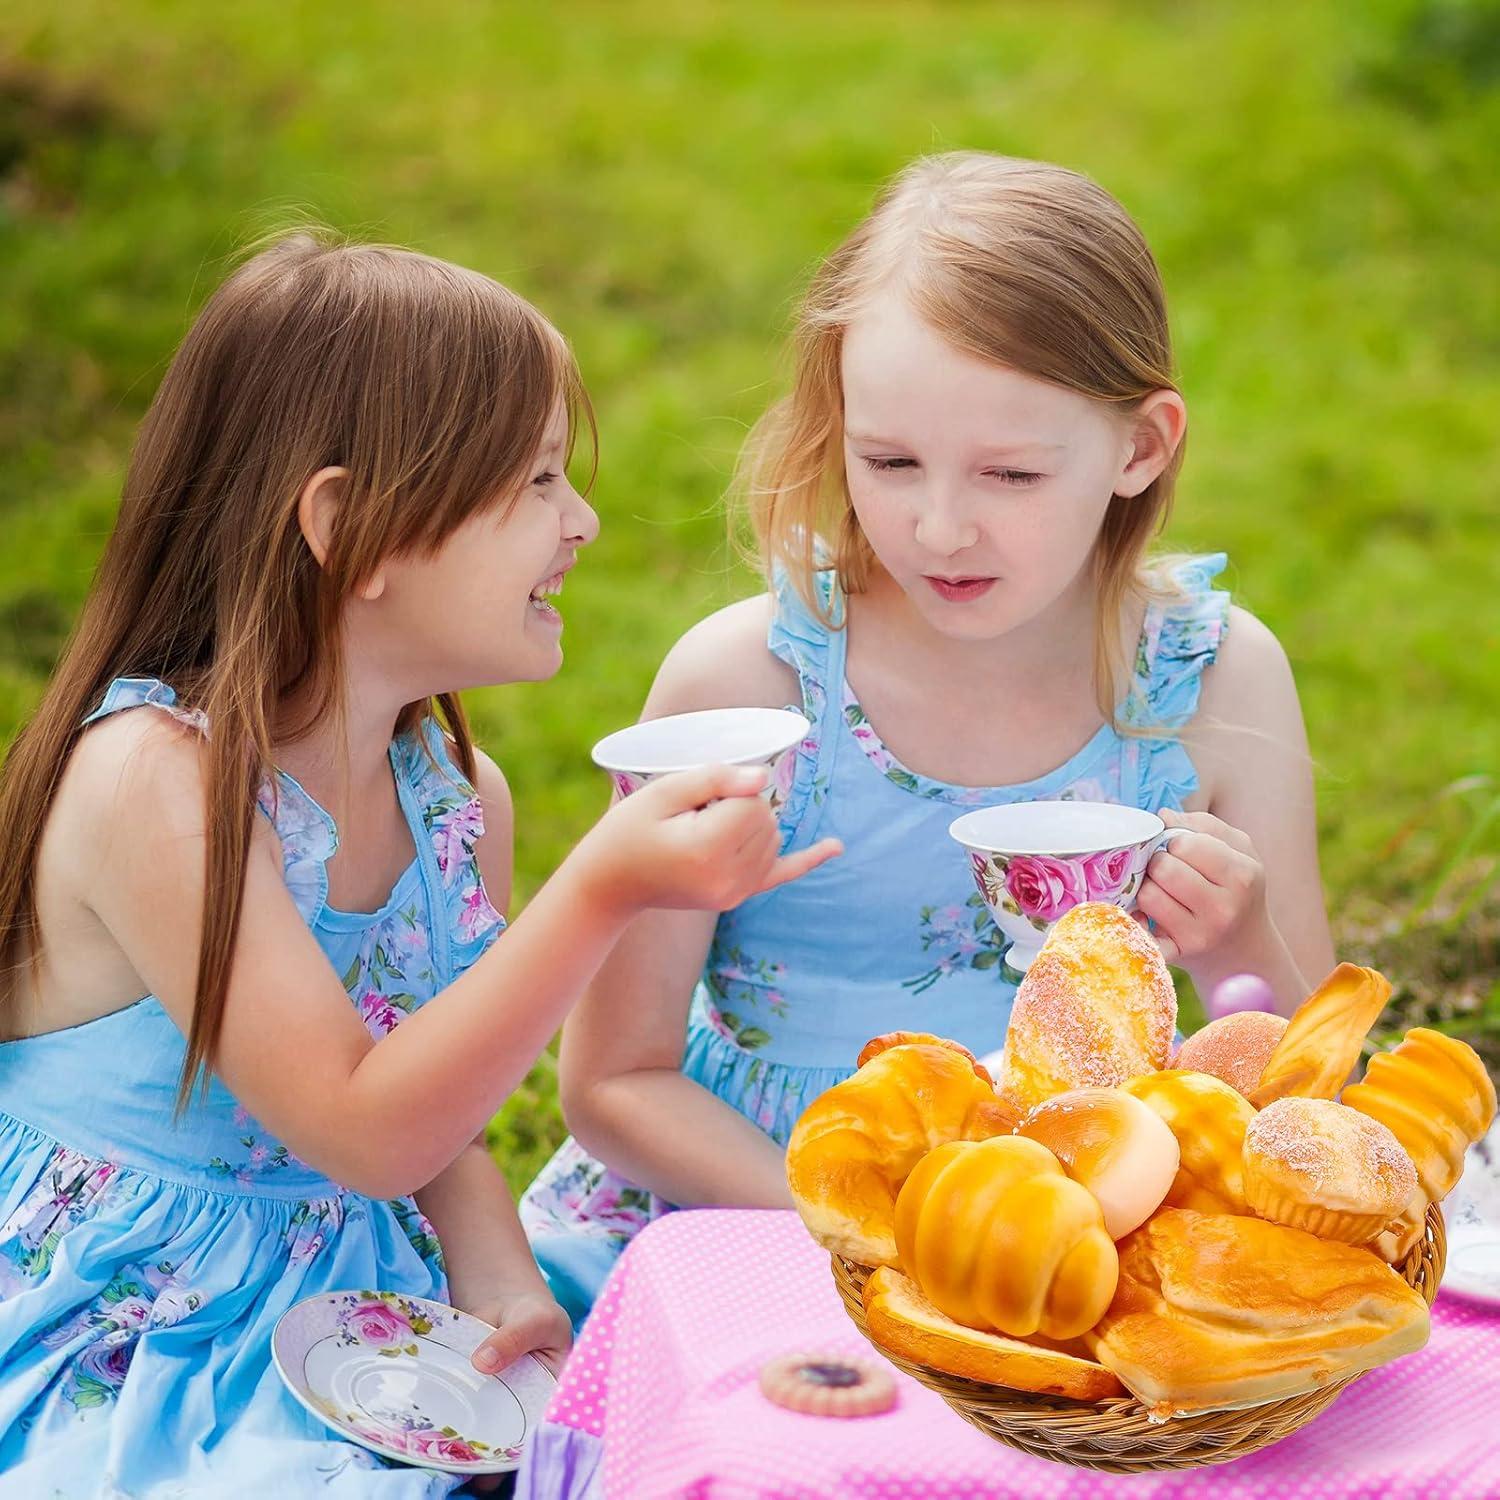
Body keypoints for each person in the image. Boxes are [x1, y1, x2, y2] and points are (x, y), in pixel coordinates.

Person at [0, 231, 832, 1496]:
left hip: (346, 1310)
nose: (585, 520)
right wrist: (603, 890)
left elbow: (434, 1121)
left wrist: (497, 1272)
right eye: (538, 483)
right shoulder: (159, 788)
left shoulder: (456, 803)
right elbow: (363, 1127)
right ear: (349, 528)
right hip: (122, 1327)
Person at [519, 152, 1336, 1328]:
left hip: (1070, 1227)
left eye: (1009, 472)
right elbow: (613, 1083)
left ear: (1142, 447)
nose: (939, 525)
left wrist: (1238, 940)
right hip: (742, 1210)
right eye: (889, 461)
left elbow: (1313, 1089)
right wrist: (882, 1247)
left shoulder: (1211, 681)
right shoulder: (749, 686)